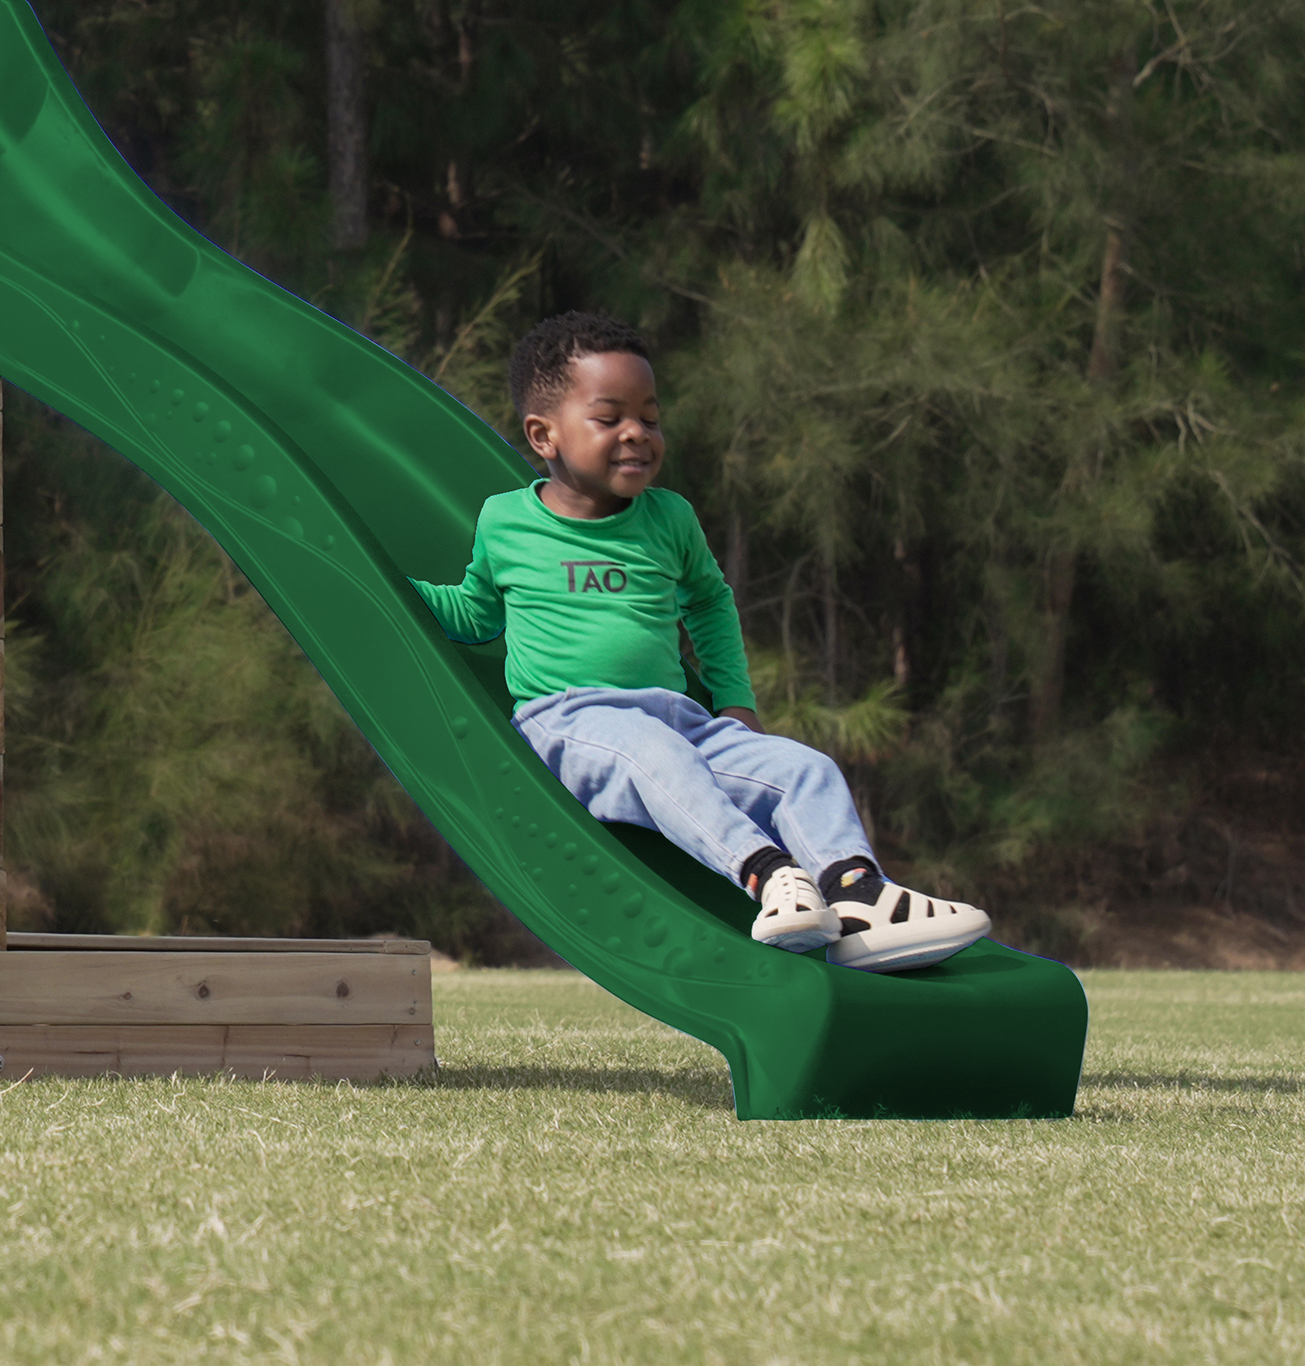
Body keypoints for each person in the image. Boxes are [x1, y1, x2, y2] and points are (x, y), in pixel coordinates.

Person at [414, 311, 990, 972]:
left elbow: (710, 605)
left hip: (678, 718)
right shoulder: (506, 520)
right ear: (544, 435)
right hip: (568, 721)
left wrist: (734, 703)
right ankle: (769, 876)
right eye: (611, 418)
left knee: (804, 769)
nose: (638, 434)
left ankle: (857, 897)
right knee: (652, 751)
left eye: (651, 418)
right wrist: (393, 587)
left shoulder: (669, 518)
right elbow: (475, 613)